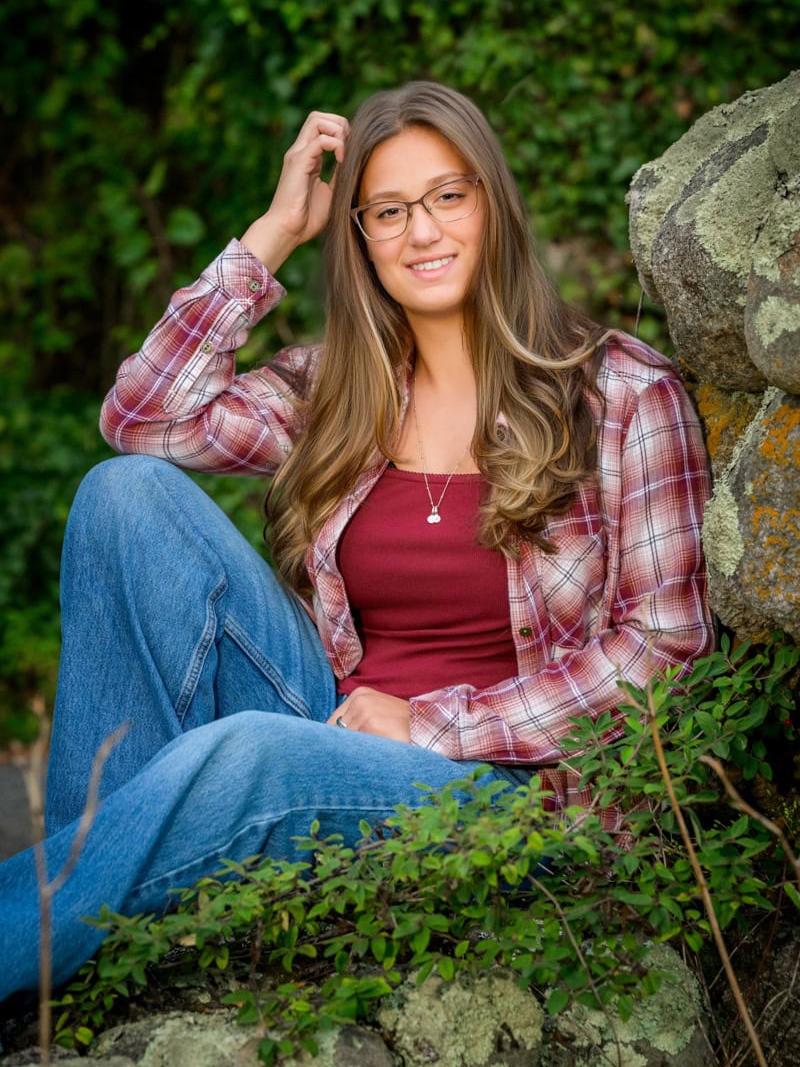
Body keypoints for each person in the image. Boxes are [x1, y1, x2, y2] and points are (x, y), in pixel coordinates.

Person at [0, 81, 713, 1002]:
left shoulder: (618, 394)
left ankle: (43, 950)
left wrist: (431, 724)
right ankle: (83, 959)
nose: (422, 232)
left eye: (449, 196)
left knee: (255, 753)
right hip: (328, 736)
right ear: (362, 241)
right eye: (387, 211)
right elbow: (141, 417)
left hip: (511, 803)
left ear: (494, 202)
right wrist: (275, 231)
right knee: (122, 498)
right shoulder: (340, 390)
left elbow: (664, 654)